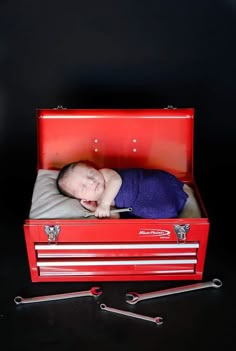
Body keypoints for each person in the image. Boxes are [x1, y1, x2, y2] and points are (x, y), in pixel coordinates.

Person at [56, 160, 201, 219]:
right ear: (84, 198)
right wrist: (96, 209)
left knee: (160, 188)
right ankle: (181, 207)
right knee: (162, 210)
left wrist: (105, 204)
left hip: (145, 184)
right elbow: (116, 217)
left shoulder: (105, 174)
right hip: (142, 202)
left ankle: (185, 193)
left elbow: (116, 180)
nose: (91, 181)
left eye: (90, 173)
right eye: (83, 187)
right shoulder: (98, 201)